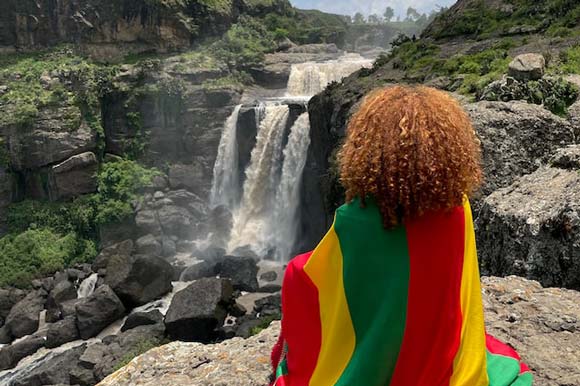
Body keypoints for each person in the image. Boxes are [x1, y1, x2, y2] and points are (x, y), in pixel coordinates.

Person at [269, 86, 533, 386]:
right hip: (437, 340)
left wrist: (294, 272)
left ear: (368, 151)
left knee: (296, 274)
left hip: (384, 334)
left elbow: (323, 275)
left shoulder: (357, 218)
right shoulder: (458, 207)